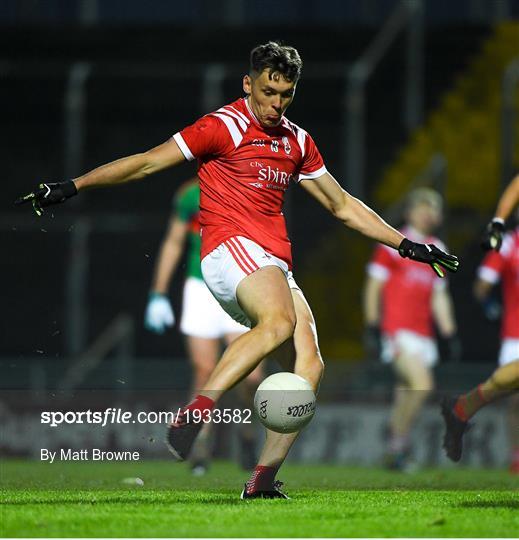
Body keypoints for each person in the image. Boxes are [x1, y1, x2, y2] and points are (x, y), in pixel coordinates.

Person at [16, 41, 459, 499]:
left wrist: (408, 245)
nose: (276, 103)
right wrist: (72, 185)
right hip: (229, 249)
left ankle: (261, 480)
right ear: (248, 83)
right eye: (268, 90)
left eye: (286, 94)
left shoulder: (297, 141)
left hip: (273, 262)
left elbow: (342, 205)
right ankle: (197, 412)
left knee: (310, 367)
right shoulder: (222, 126)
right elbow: (148, 163)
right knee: (280, 322)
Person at [144, 177, 262, 475]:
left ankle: (247, 434)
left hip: (239, 284)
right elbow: (173, 242)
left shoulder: (249, 183)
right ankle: (200, 446)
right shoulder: (188, 196)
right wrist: (158, 293)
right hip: (200, 287)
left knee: (250, 376)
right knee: (204, 369)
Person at [364, 188, 459, 470]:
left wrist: (450, 332)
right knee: (422, 384)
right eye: (423, 206)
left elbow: (439, 295)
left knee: (406, 392)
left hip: (423, 334)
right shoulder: (392, 242)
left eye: (434, 208)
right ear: (410, 211)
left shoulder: (438, 248)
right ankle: (398, 446)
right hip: (397, 330)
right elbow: (373, 287)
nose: (429, 212)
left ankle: (396, 451)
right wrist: (371, 324)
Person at [442, 173, 519, 471]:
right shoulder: (511, 245)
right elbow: (482, 285)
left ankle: (461, 408)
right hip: (514, 331)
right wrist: (498, 223)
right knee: (514, 400)